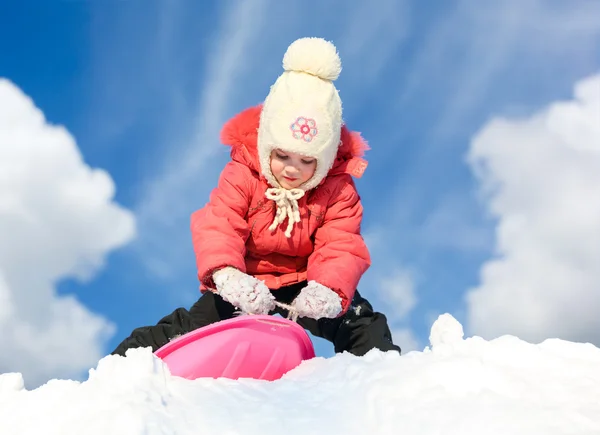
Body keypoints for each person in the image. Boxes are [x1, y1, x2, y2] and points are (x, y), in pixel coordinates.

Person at [111, 37, 401, 358]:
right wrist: (227, 275)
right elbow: (221, 223)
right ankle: (129, 362)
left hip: (306, 281)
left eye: (308, 161)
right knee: (195, 326)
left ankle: (381, 373)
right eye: (283, 156)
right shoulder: (243, 174)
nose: (293, 169)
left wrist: (328, 290)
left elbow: (341, 242)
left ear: (326, 159)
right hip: (246, 280)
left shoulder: (338, 189)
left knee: (360, 322)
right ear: (266, 146)